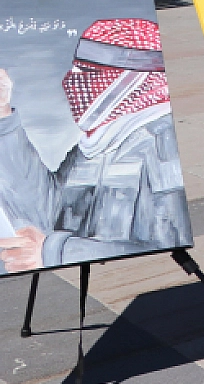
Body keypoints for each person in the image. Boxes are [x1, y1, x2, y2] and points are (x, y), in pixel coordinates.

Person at [0, 20, 191, 273]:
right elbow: (47, 217)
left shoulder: (161, 144)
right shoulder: (97, 144)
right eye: (75, 70)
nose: (72, 82)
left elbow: (167, 241)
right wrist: (3, 115)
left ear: (132, 78)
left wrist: (54, 253)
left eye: (89, 73)